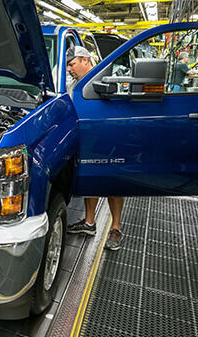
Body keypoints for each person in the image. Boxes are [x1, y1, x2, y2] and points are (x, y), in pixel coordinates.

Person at [64, 46, 125, 250]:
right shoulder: (73, 84)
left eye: (72, 64)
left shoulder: (105, 79)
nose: (69, 69)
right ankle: (89, 223)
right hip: (86, 137)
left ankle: (115, 228)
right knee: (90, 177)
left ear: (84, 60)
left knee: (112, 182)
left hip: (106, 137)